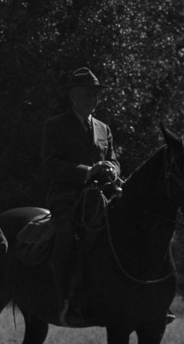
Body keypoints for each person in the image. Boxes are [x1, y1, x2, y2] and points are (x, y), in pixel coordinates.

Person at [40, 67, 122, 325]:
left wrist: (111, 168)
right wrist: (88, 171)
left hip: (100, 198)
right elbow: (51, 165)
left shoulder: (103, 128)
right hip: (68, 198)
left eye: (95, 94)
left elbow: (114, 161)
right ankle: (64, 298)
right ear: (73, 96)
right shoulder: (55, 126)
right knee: (64, 236)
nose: (93, 99)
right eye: (88, 94)